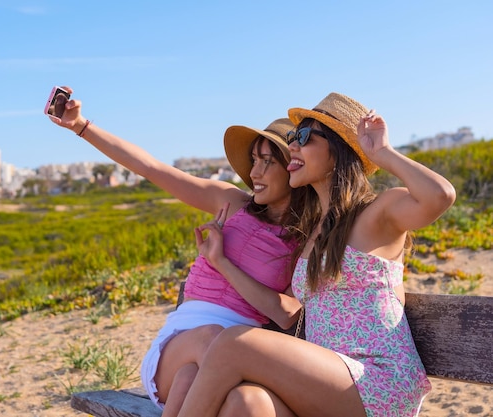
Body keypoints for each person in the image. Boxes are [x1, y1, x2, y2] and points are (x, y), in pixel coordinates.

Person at [175, 92, 457, 417]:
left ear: (337, 150)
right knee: (246, 403)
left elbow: (439, 196)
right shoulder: (314, 234)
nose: (292, 146)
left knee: (233, 343)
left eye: (304, 137)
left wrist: (382, 153)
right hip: (330, 384)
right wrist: (220, 262)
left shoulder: (377, 214)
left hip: (377, 382)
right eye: (293, 137)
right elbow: (285, 310)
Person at [46, 86, 303, 416]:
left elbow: (288, 313)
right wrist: (81, 125)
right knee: (210, 344)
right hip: (182, 344)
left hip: (233, 362)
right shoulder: (232, 202)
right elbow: (153, 169)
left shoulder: (303, 238)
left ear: (292, 169)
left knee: (192, 380)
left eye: (268, 162)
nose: (255, 173)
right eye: (255, 160)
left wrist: (221, 263)